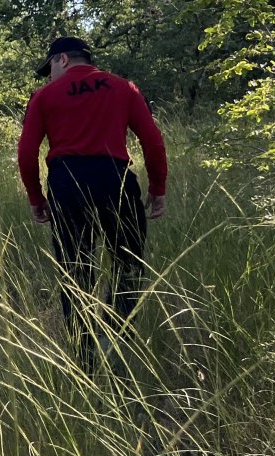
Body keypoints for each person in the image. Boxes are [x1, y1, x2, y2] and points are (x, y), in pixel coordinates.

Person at [17, 37, 168, 369]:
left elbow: (27, 153)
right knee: (127, 266)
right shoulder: (124, 88)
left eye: (49, 69)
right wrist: (157, 188)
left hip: (66, 184)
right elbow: (152, 141)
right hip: (115, 181)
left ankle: (84, 357)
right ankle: (114, 343)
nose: (48, 77)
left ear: (62, 60)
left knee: (75, 272)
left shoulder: (44, 97)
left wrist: (36, 196)